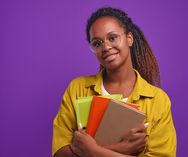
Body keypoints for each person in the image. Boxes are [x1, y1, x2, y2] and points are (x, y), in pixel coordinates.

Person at [52, 7, 177, 157]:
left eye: (112, 38)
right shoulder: (77, 89)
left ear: (129, 38)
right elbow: (60, 153)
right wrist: (122, 148)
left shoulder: (158, 100)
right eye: (97, 43)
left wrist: (90, 150)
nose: (105, 47)